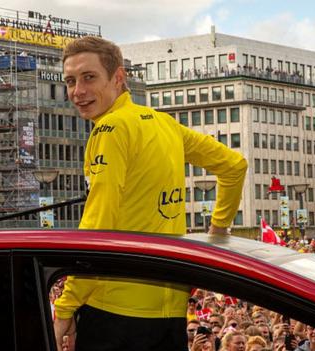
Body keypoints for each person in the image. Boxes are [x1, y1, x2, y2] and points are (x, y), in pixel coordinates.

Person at [53, 36, 247, 351]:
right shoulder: (165, 124)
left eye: (89, 77)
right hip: (170, 314)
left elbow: (99, 224)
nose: (78, 91)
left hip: (113, 314)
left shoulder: (109, 129)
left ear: (118, 78)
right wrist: (217, 235)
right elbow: (234, 166)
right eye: (70, 81)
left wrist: (66, 307)